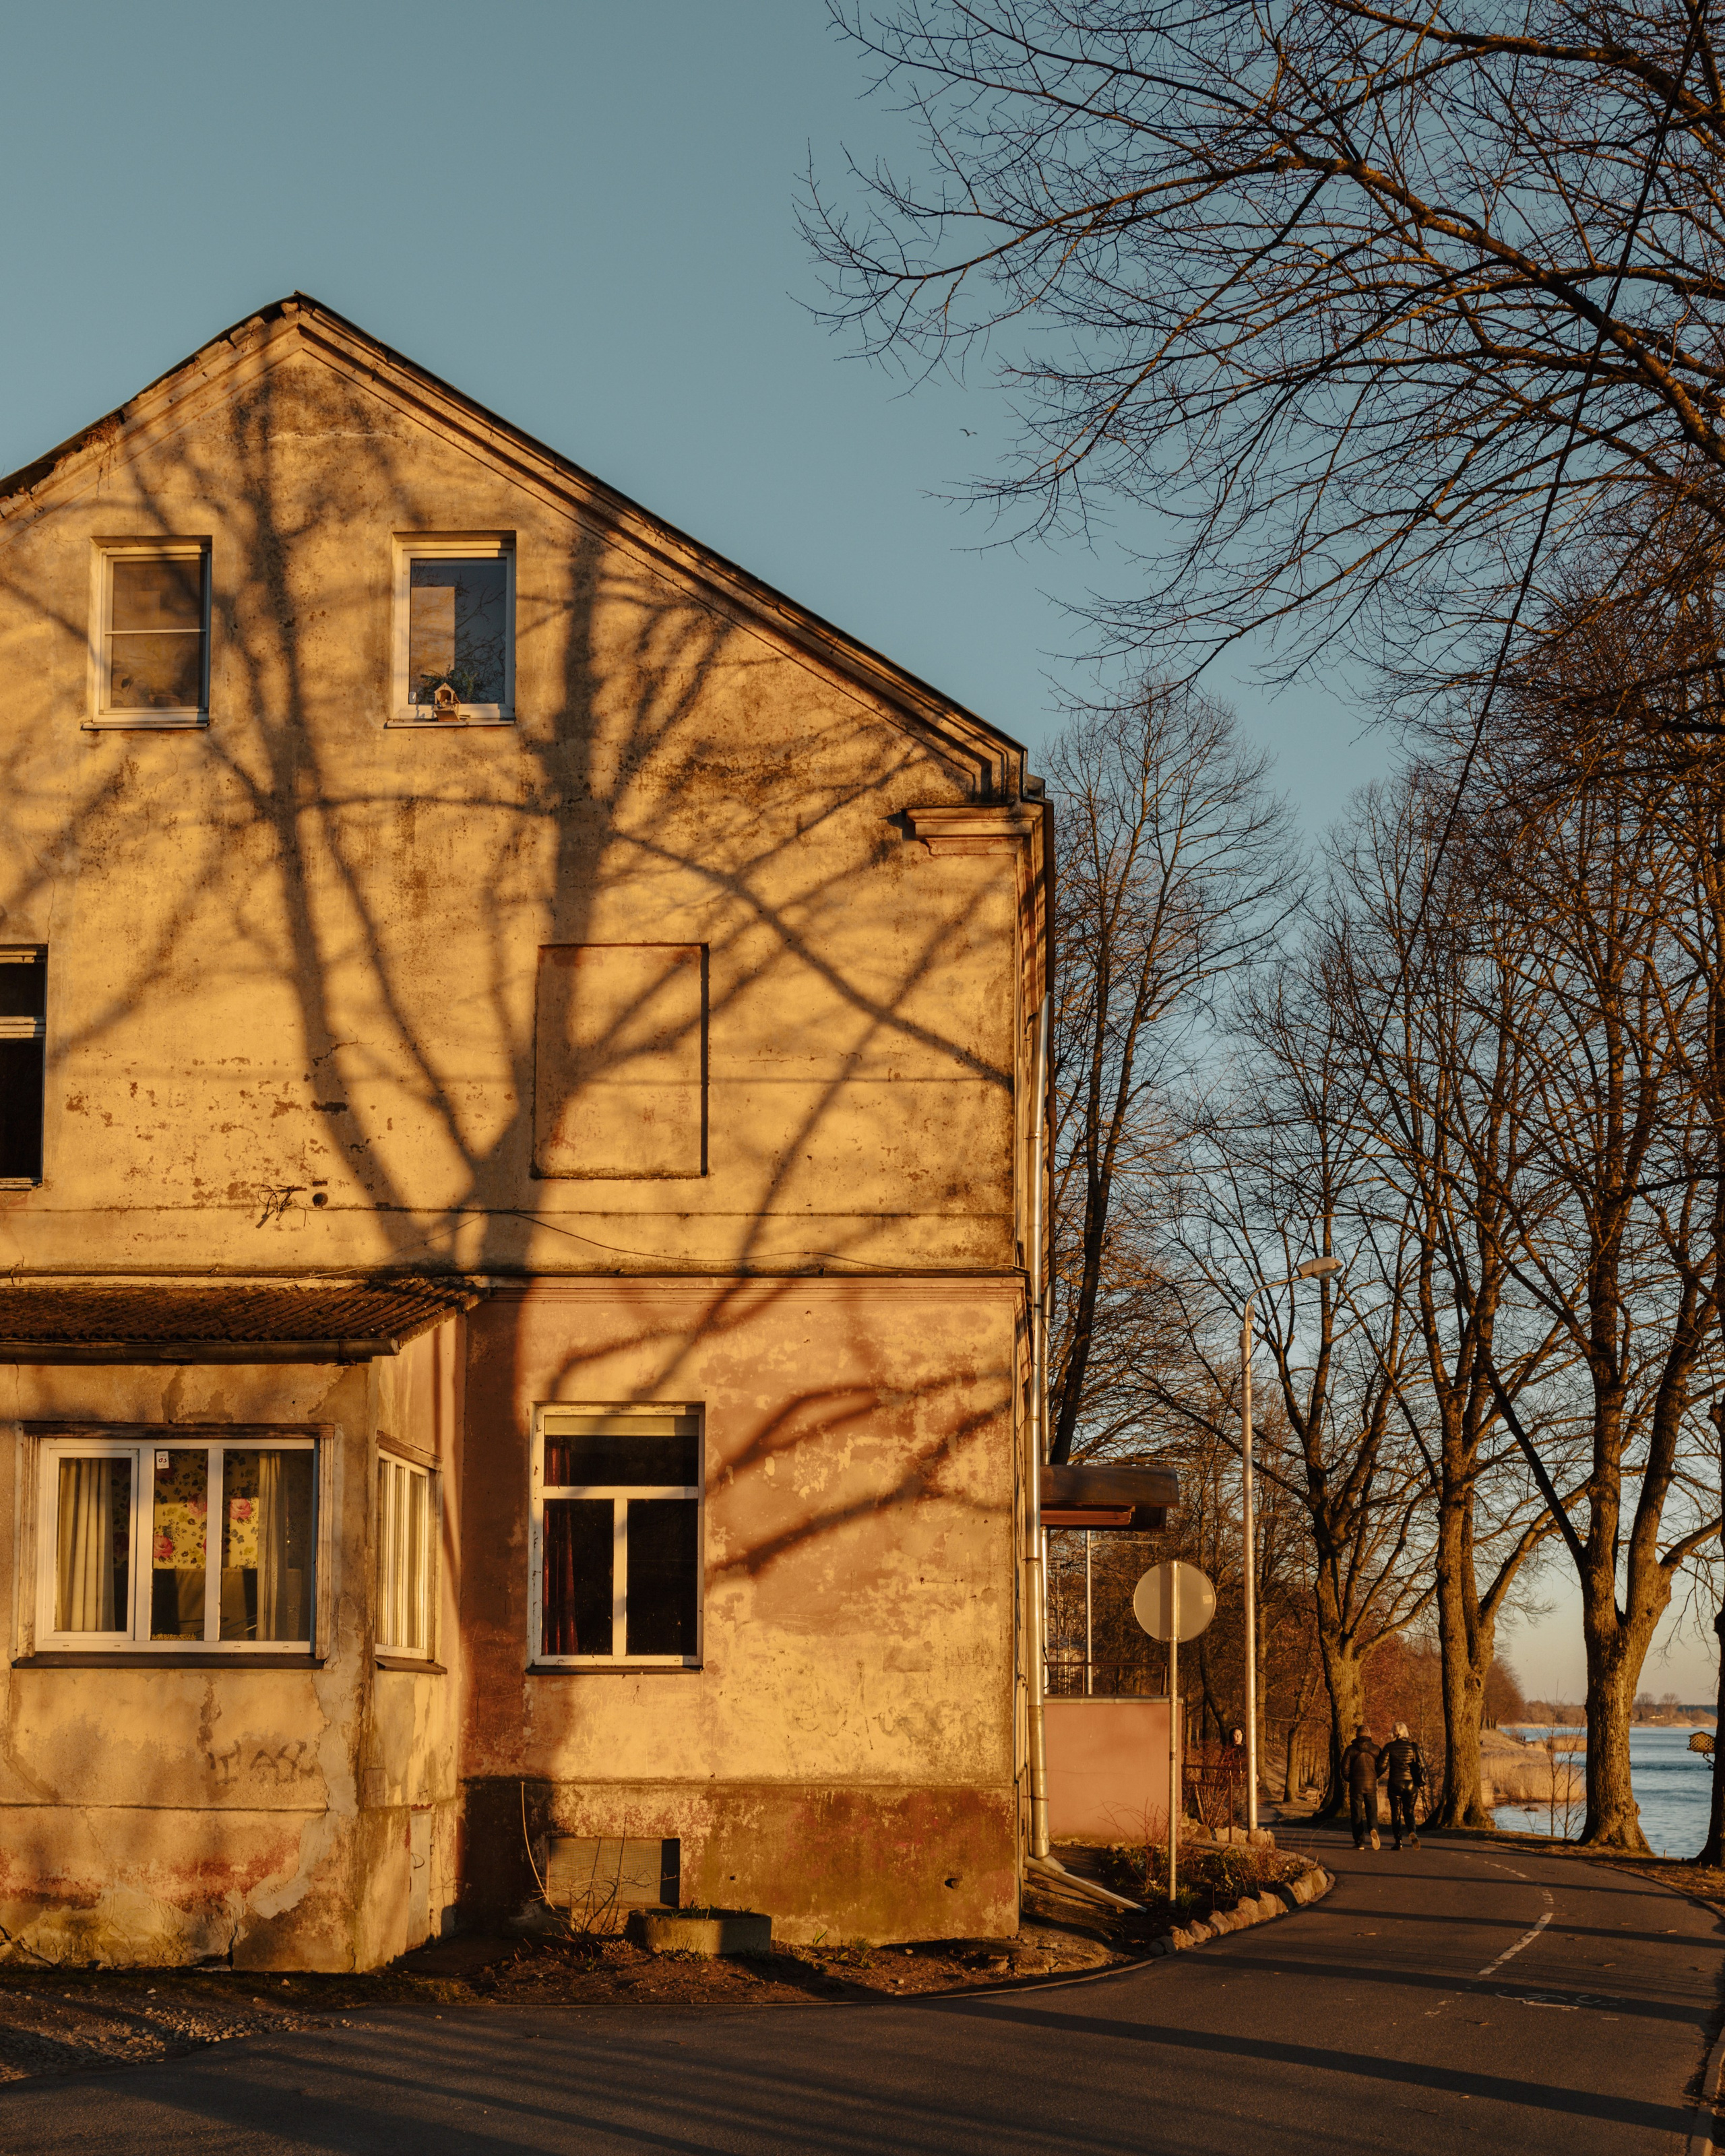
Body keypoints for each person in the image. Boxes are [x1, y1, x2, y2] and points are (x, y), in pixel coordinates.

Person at [1377, 1722, 1426, 1849]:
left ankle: (1398, 1841)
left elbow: (1382, 1766)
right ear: (1405, 1732)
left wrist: (1374, 1776)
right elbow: (1422, 1765)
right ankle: (1412, 1832)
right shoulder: (1413, 1747)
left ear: (1394, 1732)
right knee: (1409, 1811)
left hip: (1395, 1783)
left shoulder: (1389, 1747)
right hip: (1411, 1784)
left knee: (1396, 1812)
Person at [1341, 1724, 1381, 1850]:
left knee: (1356, 1813)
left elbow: (1344, 1769)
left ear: (1357, 1736)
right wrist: (1375, 1775)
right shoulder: (1376, 1749)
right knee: (1372, 1811)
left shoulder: (1350, 1750)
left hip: (1356, 1786)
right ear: (1369, 1736)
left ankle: (1360, 1842)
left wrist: (1350, 1779)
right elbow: (1382, 1765)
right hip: (1371, 1785)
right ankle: (1373, 1829)